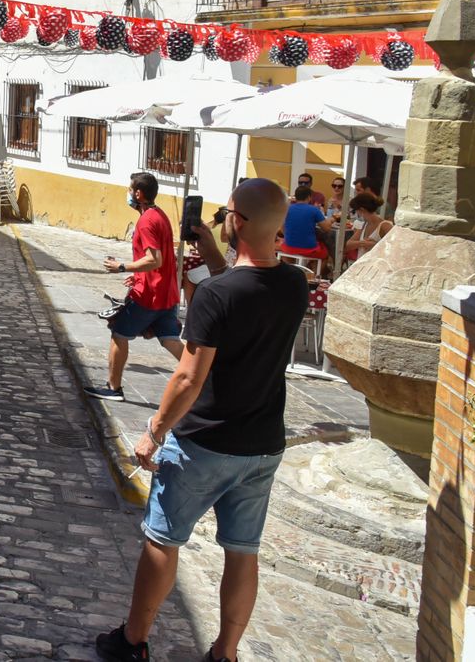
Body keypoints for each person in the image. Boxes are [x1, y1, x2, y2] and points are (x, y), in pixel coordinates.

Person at [94, 179, 311, 662]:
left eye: (227, 211)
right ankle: (226, 653)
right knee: (242, 550)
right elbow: (246, 286)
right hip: (262, 444)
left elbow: (189, 378)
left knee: (162, 539)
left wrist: (154, 432)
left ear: (239, 221)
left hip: (204, 443)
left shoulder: (215, 293)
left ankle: (133, 642)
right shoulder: (295, 283)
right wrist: (215, 251)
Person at [86, 172, 183, 400]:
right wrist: (137, 275)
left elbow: (154, 259)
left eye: (130, 190)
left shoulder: (147, 221)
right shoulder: (160, 215)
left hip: (148, 296)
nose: (128, 194)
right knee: (170, 339)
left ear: (138, 194)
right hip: (166, 292)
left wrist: (123, 267)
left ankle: (113, 388)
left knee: (119, 333)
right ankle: (206, 376)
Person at [279, 186, 331, 262]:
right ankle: (314, 272)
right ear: (309, 197)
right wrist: (331, 220)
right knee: (325, 253)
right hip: (308, 248)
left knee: (289, 252)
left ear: (295, 197)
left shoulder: (287, 208)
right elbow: (326, 228)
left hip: (289, 246)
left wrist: (288, 236)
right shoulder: (314, 210)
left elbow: (282, 226)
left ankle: (293, 269)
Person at [345, 194, 392, 261]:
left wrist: (375, 245)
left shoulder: (384, 226)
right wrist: (363, 243)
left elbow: (394, 248)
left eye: (355, 210)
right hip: (362, 265)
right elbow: (348, 245)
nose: (356, 213)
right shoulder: (365, 224)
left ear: (362, 210)